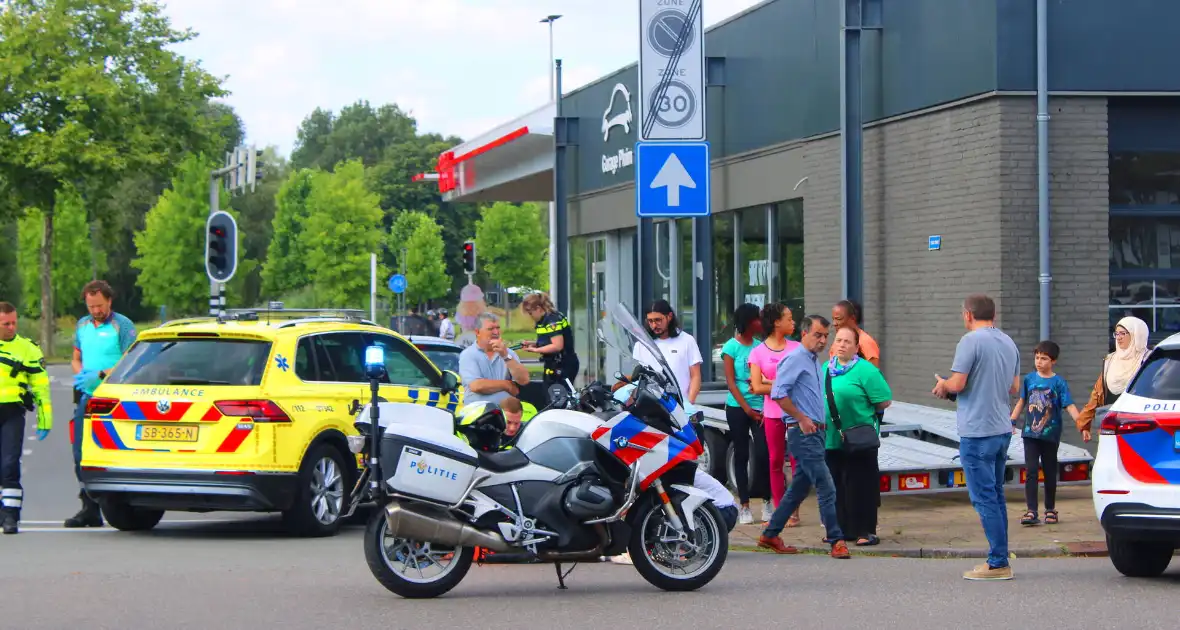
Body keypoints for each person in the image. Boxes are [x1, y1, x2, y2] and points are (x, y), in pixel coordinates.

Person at [933, 294, 1020, 581]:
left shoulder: (969, 341)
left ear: (969, 315)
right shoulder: (1009, 342)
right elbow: (1014, 386)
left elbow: (958, 383)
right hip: (1001, 427)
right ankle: (1001, 556)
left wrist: (944, 386)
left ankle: (997, 563)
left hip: (977, 430)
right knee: (995, 495)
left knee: (983, 497)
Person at [757, 315, 851, 560]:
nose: (822, 340)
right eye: (817, 335)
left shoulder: (812, 361)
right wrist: (801, 417)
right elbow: (778, 393)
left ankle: (770, 534)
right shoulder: (796, 358)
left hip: (816, 433)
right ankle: (836, 539)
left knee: (798, 489)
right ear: (804, 334)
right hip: (803, 434)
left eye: (825, 336)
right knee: (826, 486)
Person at [67, 280, 137, 528]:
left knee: (112, 451)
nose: (96, 310)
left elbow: (133, 361)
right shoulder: (83, 325)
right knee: (80, 452)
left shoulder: (123, 325)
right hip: (87, 396)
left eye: (99, 305)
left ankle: (118, 504)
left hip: (114, 398)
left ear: (109, 300)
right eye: (91, 306)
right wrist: (80, 374)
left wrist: (101, 374)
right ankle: (89, 506)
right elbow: (76, 357)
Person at [824, 326, 892, 547]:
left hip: (859, 438)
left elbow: (883, 401)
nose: (842, 344)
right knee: (835, 484)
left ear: (856, 347)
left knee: (861, 484)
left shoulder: (866, 371)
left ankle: (865, 530)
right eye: (839, 340)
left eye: (847, 341)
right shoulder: (825, 369)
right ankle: (840, 530)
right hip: (832, 438)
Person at [1009, 340, 1080, 526]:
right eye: (1037, 358)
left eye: (1044, 358)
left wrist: (1082, 424)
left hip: (1050, 434)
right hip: (1030, 434)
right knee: (1031, 471)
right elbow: (1022, 401)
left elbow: (1069, 405)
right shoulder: (1029, 379)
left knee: (1049, 471)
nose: (1039, 362)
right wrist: (1012, 420)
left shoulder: (1058, 382)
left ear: (1053, 361)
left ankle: (1050, 509)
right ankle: (1031, 510)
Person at [0, 302, 53, 535]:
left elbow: (41, 387)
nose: (11, 327)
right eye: (6, 324)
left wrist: (45, 420)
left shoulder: (28, 349)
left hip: (12, 412)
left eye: (14, 322)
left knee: (10, 464)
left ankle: (10, 515)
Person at [748, 302, 802, 526]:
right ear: (777, 322)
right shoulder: (758, 352)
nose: (793, 322)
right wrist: (781, 386)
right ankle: (781, 511)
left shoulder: (797, 348)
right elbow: (757, 387)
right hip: (772, 415)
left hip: (796, 413)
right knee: (775, 461)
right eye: (789, 318)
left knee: (797, 460)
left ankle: (795, 510)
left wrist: (772, 383)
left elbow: (801, 383)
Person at [720, 303, 770, 525]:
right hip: (738, 407)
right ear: (749, 322)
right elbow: (731, 382)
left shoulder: (760, 347)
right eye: (758, 319)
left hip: (761, 406)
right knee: (742, 455)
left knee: (764, 453)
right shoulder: (731, 347)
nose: (761, 323)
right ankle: (745, 505)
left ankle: (768, 501)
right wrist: (747, 409)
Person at [1074, 316, 1150, 443]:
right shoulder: (1110, 361)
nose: (1119, 337)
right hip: (1110, 427)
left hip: (1137, 426)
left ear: (1136, 334)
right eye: (1117, 334)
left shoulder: (1147, 360)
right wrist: (1084, 425)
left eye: (1123, 333)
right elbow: (1096, 395)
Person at [632, 300, 702, 405]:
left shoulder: (687, 340)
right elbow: (639, 377)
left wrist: (689, 403)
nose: (654, 325)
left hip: (679, 407)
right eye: (650, 321)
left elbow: (695, 376)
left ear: (669, 317)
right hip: (650, 405)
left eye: (658, 320)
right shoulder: (642, 343)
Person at [458, 312, 531, 406]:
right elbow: (477, 386)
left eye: (498, 328)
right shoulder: (468, 354)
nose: (496, 332)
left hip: (507, 414)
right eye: (490, 329)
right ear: (477, 332)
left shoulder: (509, 353)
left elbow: (524, 380)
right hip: (478, 413)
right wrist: (506, 385)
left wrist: (505, 356)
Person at [520, 293, 579, 388]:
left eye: (530, 313)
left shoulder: (552, 321)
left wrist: (535, 350)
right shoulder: (543, 321)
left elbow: (557, 346)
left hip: (563, 364)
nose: (530, 316)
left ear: (538, 308)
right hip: (553, 364)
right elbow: (549, 342)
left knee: (559, 398)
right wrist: (532, 344)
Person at [831, 299, 881, 368]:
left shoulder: (866, 342)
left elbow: (872, 375)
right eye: (833, 319)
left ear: (852, 318)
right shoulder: (837, 340)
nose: (834, 324)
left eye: (838, 319)